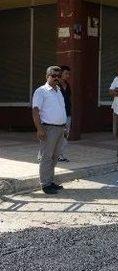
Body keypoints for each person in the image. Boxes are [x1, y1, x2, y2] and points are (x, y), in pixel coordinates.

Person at [32, 66, 67, 194]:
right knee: (46, 157)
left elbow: (60, 109)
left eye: (58, 76)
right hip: (48, 128)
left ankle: (50, 181)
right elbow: (35, 111)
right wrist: (39, 129)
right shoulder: (41, 91)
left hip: (60, 128)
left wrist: (64, 126)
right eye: (53, 76)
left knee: (55, 156)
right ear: (47, 76)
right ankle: (45, 184)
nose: (56, 78)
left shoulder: (58, 91)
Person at [57, 65, 72, 162]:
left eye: (69, 74)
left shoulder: (68, 85)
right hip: (57, 114)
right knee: (56, 135)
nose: (68, 76)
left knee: (65, 135)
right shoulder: (55, 85)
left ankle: (60, 155)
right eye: (66, 73)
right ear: (60, 74)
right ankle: (48, 155)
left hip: (67, 114)